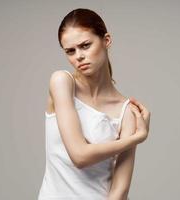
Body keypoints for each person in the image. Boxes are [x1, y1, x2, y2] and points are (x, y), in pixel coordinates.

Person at [38, 8, 151, 200]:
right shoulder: (62, 83)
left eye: (85, 45)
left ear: (106, 40)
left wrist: (134, 138)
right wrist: (137, 138)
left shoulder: (127, 111)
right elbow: (79, 156)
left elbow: (119, 191)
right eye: (70, 51)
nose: (79, 56)